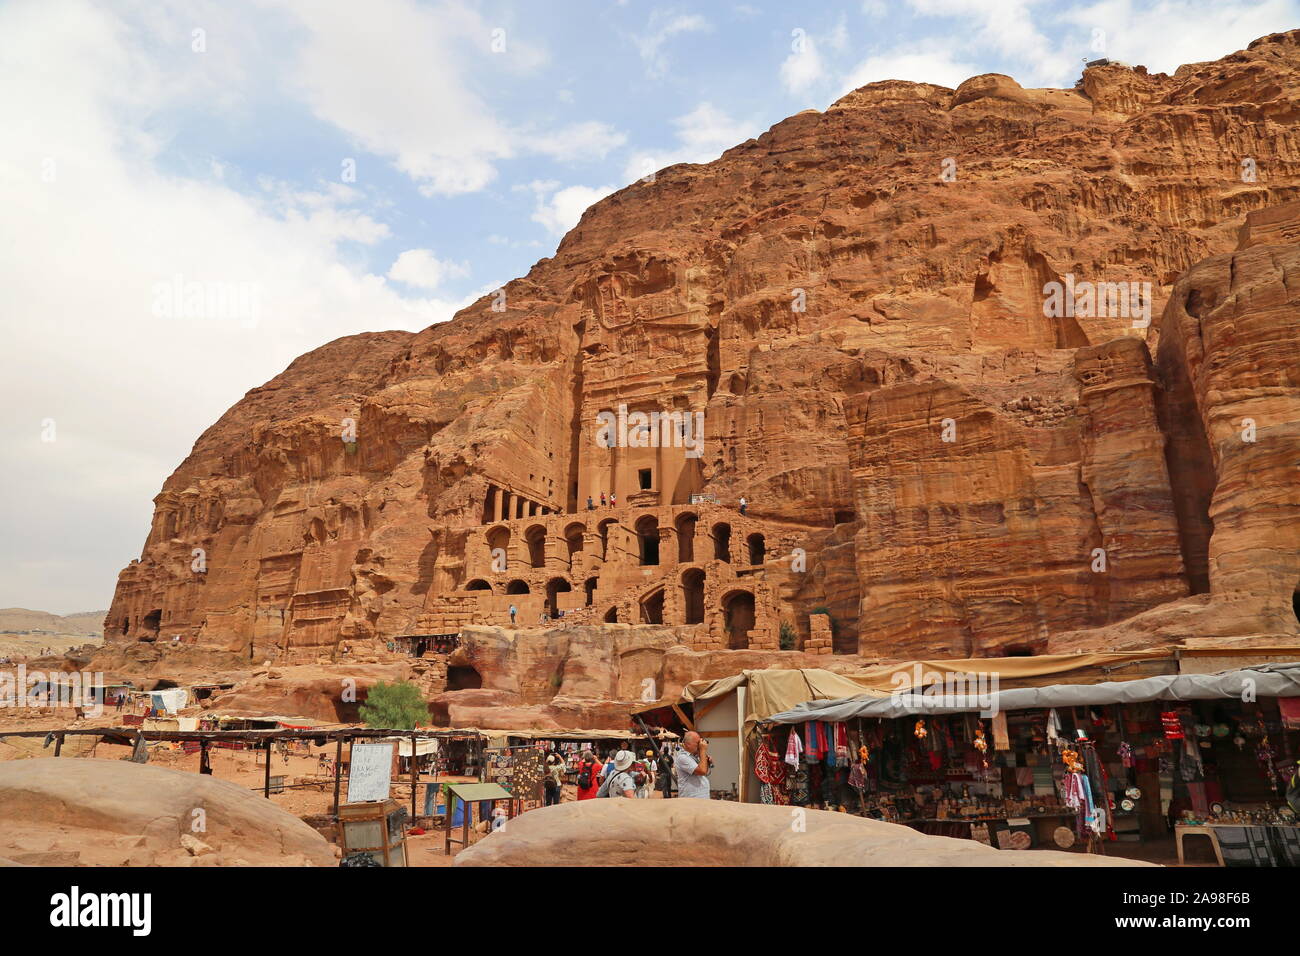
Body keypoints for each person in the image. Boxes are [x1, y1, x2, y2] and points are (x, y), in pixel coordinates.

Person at [674, 731, 711, 799]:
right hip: (691, 799)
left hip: (700, 798)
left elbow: (705, 772)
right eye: (697, 743)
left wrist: (707, 761)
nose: (700, 745)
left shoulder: (694, 756)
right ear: (688, 744)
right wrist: (702, 750)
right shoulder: (682, 757)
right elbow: (702, 771)